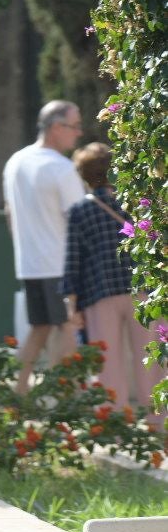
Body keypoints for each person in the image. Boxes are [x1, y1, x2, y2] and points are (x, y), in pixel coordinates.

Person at [64, 142, 165, 418]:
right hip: (144, 293)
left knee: (108, 367)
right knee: (153, 363)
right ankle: (160, 425)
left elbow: (73, 261)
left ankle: (115, 429)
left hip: (100, 294)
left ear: (83, 175)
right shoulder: (138, 202)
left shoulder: (78, 211)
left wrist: (72, 305)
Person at [5, 100, 87, 395]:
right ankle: (63, 398)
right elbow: (81, 222)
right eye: (74, 126)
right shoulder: (61, 168)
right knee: (66, 326)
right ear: (56, 127)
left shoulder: (15, 162)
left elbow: (9, 215)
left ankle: (18, 392)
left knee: (40, 328)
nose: (79, 133)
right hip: (60, 264)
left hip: (29, 264)